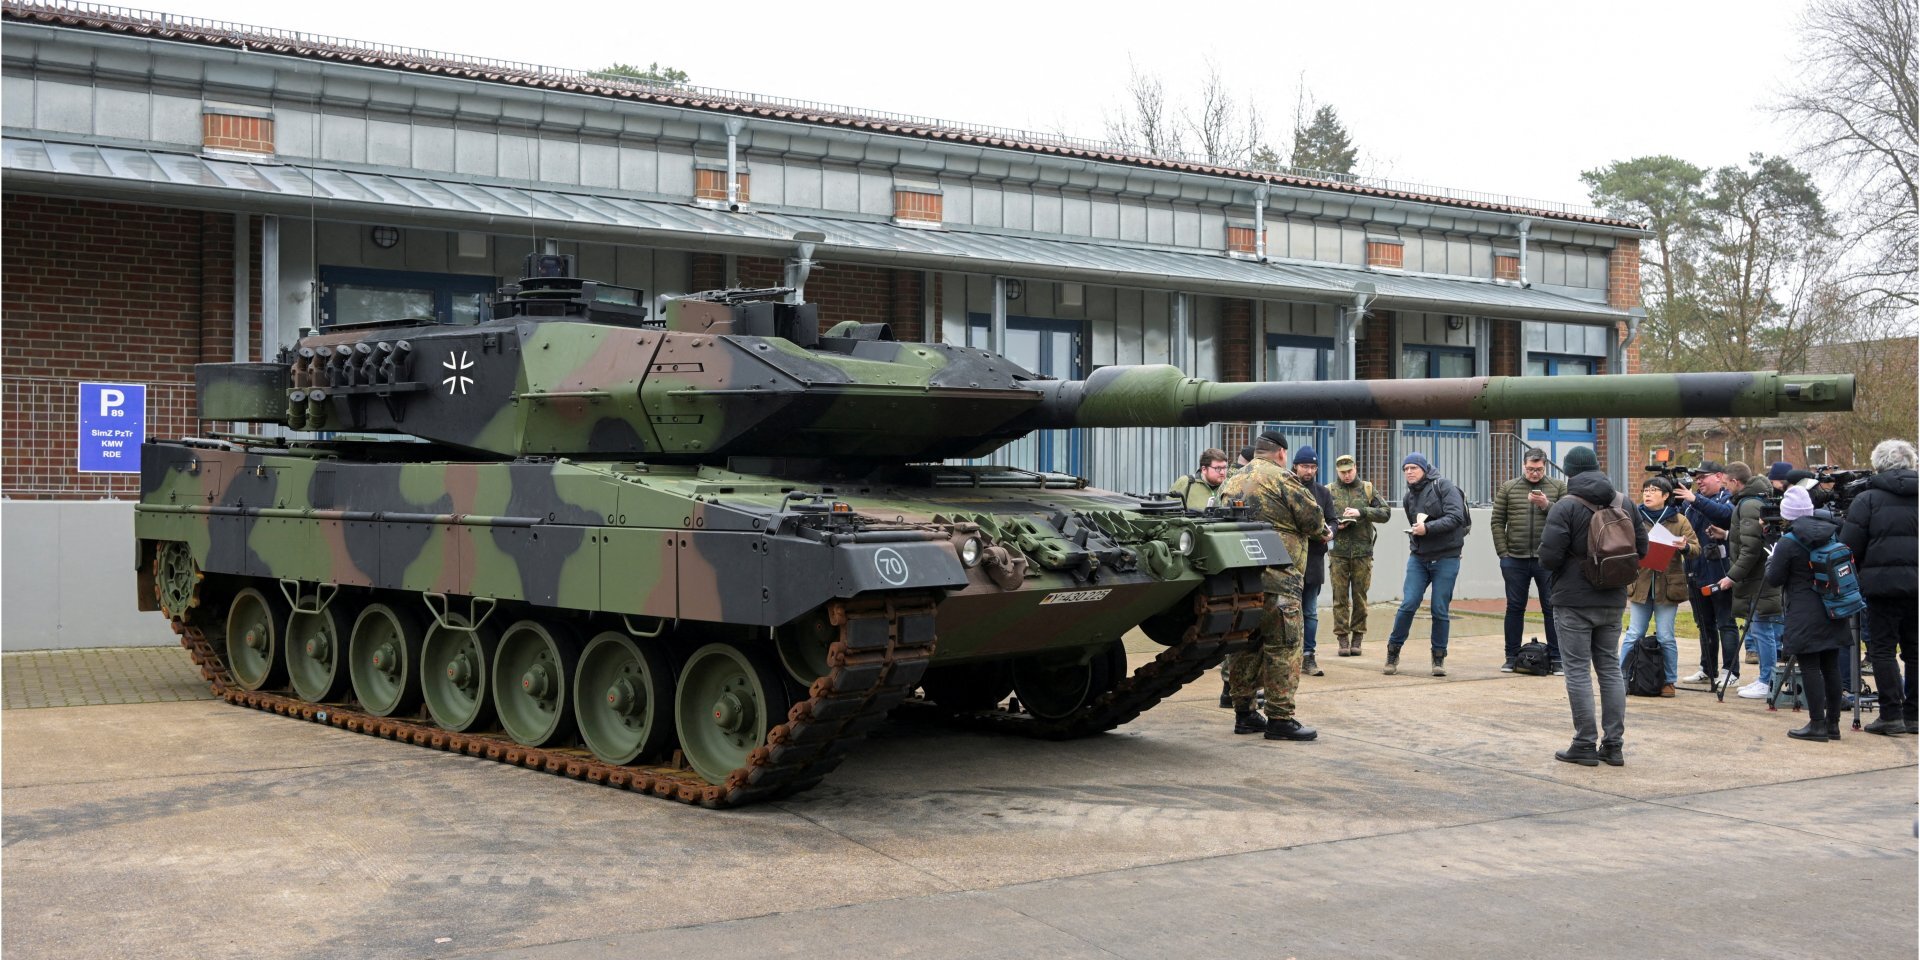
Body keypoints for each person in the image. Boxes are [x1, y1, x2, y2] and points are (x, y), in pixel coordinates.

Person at [1539, 445, 1646, 766]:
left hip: (1573, 601)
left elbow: (1549, 558)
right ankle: (1613, 746)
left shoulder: (1565, 506)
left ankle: (1584, 743)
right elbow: (1642, 549)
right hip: (1613, 598)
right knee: (1610, 669)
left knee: (1577, 671)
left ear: (1568, 472)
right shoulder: (1624, 502)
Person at [1217, 429, 1328, 741]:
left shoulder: (1231, 480)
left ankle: (1244, 714)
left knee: (1244, 646)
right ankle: (1280, 718)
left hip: (1242, 579)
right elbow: (1314, 522)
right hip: (1279, 579)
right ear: (1281, 453)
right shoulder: (1282, 478)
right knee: (1284, 646)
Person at [1840, 439, 1917, 735]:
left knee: (1882, 649)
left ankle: (1891, 714)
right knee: (1915, 650)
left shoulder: (1867, 499)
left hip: (1881, 586)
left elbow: (1849, 546)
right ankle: (1914, 714)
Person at [1767, 487, 1854, 741]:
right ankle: (1833, 724)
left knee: (1810, 666)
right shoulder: (1830, 533)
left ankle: (1816, 724)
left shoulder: (1788, 541)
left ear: (1786, 514)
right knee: (1831, 666)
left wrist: (1771, 559)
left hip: (1804, 610)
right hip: (1833, 606)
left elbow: (1774, 578)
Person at [1382, 452, 1468, 677]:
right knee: (1408, 604)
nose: (1409, 472)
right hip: (1419, 558)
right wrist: (1417, 534)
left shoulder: (1444, 486)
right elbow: (1415, 525)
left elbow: (1456, 517)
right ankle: (1392, 651)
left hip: (1447, 557)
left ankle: (1438, 658)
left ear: (1424, 469)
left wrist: (1427, 528)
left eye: (1413, 468)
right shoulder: (1408, 497)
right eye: (1405, 469)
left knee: (1439, 608)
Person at [1618, 477, 1698, 698]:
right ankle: (1620, 677)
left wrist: (1684, 547)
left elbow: (1696, 549)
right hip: (1641, 584)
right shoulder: (1634, 517)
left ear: (1665, 496)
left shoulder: (1679, 520)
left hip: (1668, 587)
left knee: (1665, 636)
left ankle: (1669, 681)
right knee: (1634, 633)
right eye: (1646, 490)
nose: (1648, 494)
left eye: (1653, 490)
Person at [1491, 449, 1567, 673]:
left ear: (1545, 467)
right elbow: (1497, 522)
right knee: (1515, 607)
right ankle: (1511, 656)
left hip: (1547, 560)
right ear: (1523, 466)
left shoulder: (1558, 487)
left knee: (1551, 608)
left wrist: (1546, 505)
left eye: (1539, 469)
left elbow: (1566, 518)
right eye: (1531, 469)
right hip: (1515, 558)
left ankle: (1557, 658)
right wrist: (1503, 553)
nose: (1535, 473)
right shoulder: (1509, 487)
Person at [1719, 461, 1786, 700]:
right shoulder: (1754, 500)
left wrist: (1732, 576)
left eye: (1726, 483)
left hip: (1758, 580)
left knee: (1762, 630)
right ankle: (1765, 678)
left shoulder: (1748, 505)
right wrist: (1727, 535)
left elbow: (1751, 548)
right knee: (1761, 629)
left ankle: (1767, 680)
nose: (1725, 488)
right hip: (1759, 578)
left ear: (1736, 481)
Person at [1674, 461, 1738, 686]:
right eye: (1697, 478)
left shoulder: (1726, 499)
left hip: (1719, 571)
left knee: (1725, 623)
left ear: (1719, 476)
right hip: (1695, 570)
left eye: (1704, 477)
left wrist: (1695, 499)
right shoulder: (1690, 504)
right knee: (1704, 623)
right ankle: (1707, 668)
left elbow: (1724, 516)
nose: (1699, 481)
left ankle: (1730, 671)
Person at [1328, 453, 1391, 658]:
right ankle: (1342, 637)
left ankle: (1357, 636)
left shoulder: (1367, 489)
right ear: (1337, 472)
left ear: (1355, 468)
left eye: (1349, 471)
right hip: (1338, 553)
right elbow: (1319, 517)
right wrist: (1336, 523)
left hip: (1362, 552)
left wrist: (1362, 512)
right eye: (1342, 472)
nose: (1346, 475)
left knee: (1360, 597)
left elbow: (1385, 513)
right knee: (1339, 597)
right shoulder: (1329, 491)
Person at [1292, 445, 1337, 676]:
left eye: (1312, 466)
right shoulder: (1287, 489)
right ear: (1295, 467)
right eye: (1304, 466)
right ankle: (1290, 656)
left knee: (1310, 611)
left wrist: (1331, 532)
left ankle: (1308, 656)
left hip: (1313, 560)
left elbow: (1333, 520)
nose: (1308, 471)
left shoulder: (1323, 493)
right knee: (1288, 611)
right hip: (1290, 561)